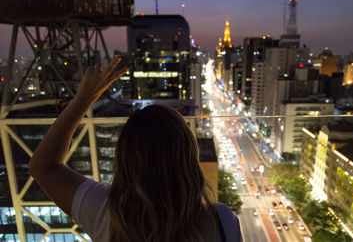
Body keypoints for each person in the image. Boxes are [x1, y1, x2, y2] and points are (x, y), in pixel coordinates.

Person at [29, 58, 241, 242]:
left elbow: (43, 168)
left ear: (124, 159)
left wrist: (83, 100)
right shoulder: (221, 222)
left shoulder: (103, 210)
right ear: (188, 160)